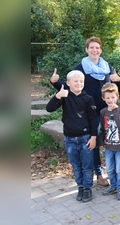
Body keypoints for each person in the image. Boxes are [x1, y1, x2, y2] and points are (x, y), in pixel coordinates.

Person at [50, 36, 120, 186]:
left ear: (101, 50)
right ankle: (99, 172)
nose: (95, 50)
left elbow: (117, 89)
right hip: (91, 113)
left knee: (113, 137)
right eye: (92, 47)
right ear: (87, 49)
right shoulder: (80, 67)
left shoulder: (107, 67)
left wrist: (118, 80)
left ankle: (116, 166)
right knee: (94, 143)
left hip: (108, 110)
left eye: (97, 47)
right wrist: (55, 83)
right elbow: (69, 86)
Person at [46, 70, 97, 202]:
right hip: (70, 138)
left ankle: (87, 188)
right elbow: (49, 108)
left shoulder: (88, 99)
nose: (79, 83)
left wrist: (93, 137)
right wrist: (58, 95)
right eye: (75, 81)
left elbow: (93, 120)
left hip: (86, 138)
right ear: (68, 83)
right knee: (76, 165)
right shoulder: (65, 96)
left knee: (87, 165)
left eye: (81, 81)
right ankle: (80, 187)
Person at [99, 83, 120, 200]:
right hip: (109, 146)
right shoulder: (103, 112)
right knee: (110, 169)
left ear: (117, 97)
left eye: (113, 97)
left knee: (119, 170)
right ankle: (113, 186)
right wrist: (102, 142)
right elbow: (102, 128)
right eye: (108, 98)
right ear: (103, 98)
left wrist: (115, 112)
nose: (110, 100)